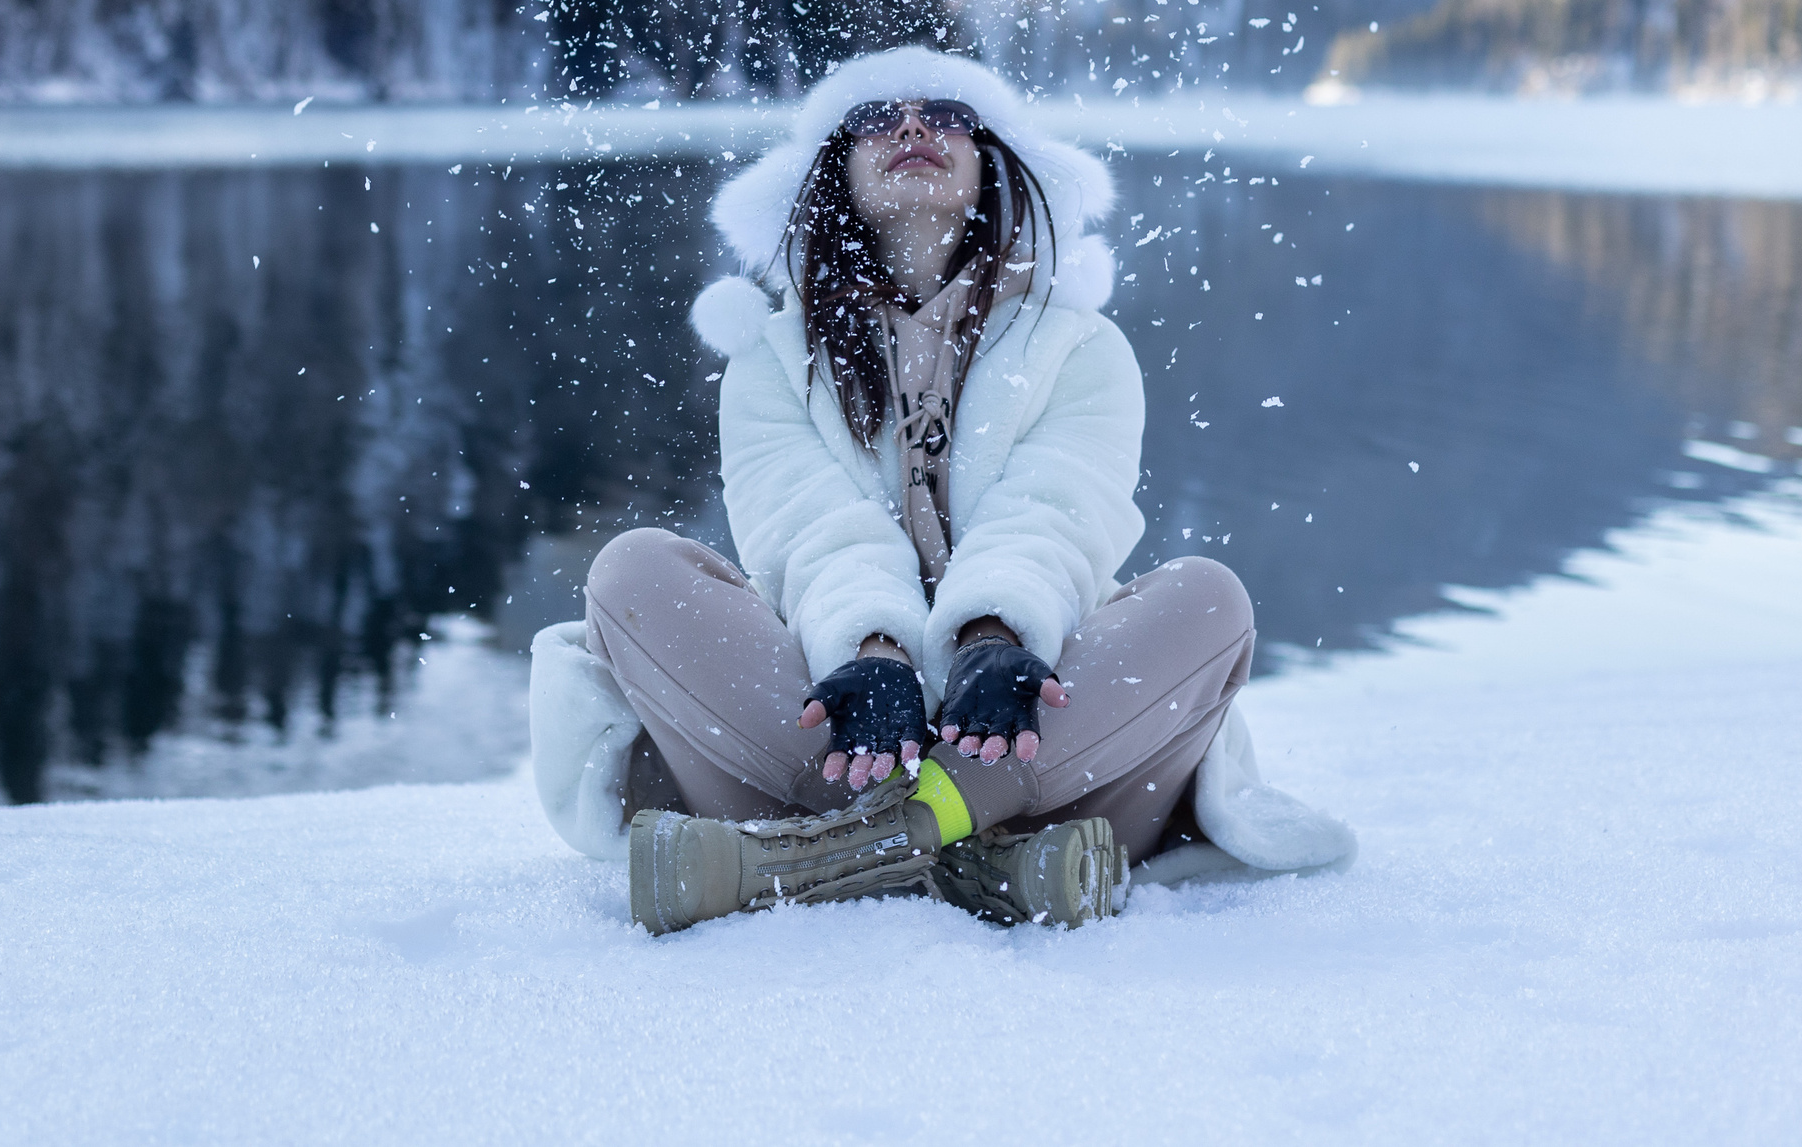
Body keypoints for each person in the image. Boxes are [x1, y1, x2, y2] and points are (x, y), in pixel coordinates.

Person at [529, 47, 1354, 934]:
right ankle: (983, 863)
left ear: (991, 163)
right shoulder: (769, 361)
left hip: (1032, 750)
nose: (914, 128)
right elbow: (810, 528)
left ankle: (836, 856)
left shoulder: (1082, 348)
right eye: (877, 119)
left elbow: (1052, 511)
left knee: (1208, 599)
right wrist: (874, 649)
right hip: (833, 740)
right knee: (634, 573)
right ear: (834, 169)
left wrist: (994, 637)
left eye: (948, 115)